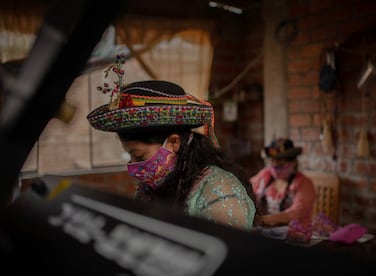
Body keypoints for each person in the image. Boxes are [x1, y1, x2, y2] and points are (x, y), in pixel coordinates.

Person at [86, 55, 256, 230]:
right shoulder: (159, 185)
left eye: (139, 155)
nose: (133, 167)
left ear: (174, 142)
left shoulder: (220, 191)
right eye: (130, 156)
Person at [250, 137, 315, 229]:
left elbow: (296, 213)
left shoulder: (304, 184)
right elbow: (248, 189)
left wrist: (265, 220)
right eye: (272, 165)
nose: (275, 168)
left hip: (295, 234)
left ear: (294, 162)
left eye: (280, 166)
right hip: (266, 231)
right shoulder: (265, 175)